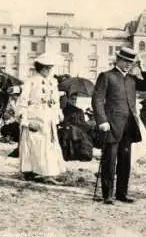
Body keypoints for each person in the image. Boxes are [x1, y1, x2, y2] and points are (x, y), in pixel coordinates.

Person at [91, 46, 146, 204]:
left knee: (125, 161)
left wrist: (143, 68)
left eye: (131, 62)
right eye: (125, 61)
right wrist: (102, 121)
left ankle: (122, 193)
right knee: (109, 161)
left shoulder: (132, 79)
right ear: (117, 60)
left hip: (129, 126)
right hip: (111, 125)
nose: (127, 65)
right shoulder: (106, 76)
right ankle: (108, 194)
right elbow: (97, 100)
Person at [16, 53, 65, 184]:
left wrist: (57, 113)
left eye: (50, 68)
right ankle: (30, 171)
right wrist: (25, 120)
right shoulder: (30, 81)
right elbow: (23, 101)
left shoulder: (53, 82)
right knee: (32, 145)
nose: (48, 70)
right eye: (46, 68)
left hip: (47, 116)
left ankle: (47, 173)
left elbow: (56, 100)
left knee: (48, 145)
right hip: (34, 115)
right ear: (40, 67)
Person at [58, 91, 94, 161]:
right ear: (67, 99)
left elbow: (82, 123)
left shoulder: (78, 110)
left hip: (77, 130)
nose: (74, 101)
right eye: (72, 99)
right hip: (70, 131)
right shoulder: (64, 110)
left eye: (75, 99)